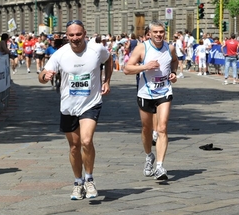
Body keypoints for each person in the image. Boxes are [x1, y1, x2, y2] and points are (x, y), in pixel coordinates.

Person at [38, 19, 113, 200]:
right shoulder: (60, 54)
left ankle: (89, 179)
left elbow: (109, 59)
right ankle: (78, 182)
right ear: (67, 36)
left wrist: (107, 81)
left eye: (78, 34)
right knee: (74, 147)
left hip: (90, 103)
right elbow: (41, 76)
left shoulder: (96, 49)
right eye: (71, 35)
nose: (75, 38)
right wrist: (45, 76)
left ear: (84, 34)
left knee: (86, 141)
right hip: (68, 106)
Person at [124, 20, 178, 180]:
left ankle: (160, 167)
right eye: (156, 32)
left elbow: (174, 60)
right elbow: (127, 69)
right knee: (146, 129)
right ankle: (149, 156)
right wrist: (144, 67)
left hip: (164, 91)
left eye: (161, 32)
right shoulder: (142, 48)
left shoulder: (170, 47)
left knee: (162, 128)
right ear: (149, 34)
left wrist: (173, 73)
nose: (159, 35)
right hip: (145, 93)